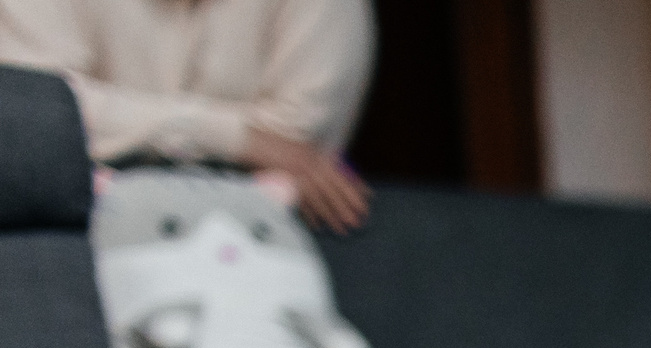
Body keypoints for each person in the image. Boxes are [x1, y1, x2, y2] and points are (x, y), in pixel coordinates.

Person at [0, 0, 373, 231]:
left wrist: (122, 126)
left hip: (261, 237)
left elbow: (301, 142)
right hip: (79, 236)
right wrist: (243, 140)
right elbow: (36, 122)